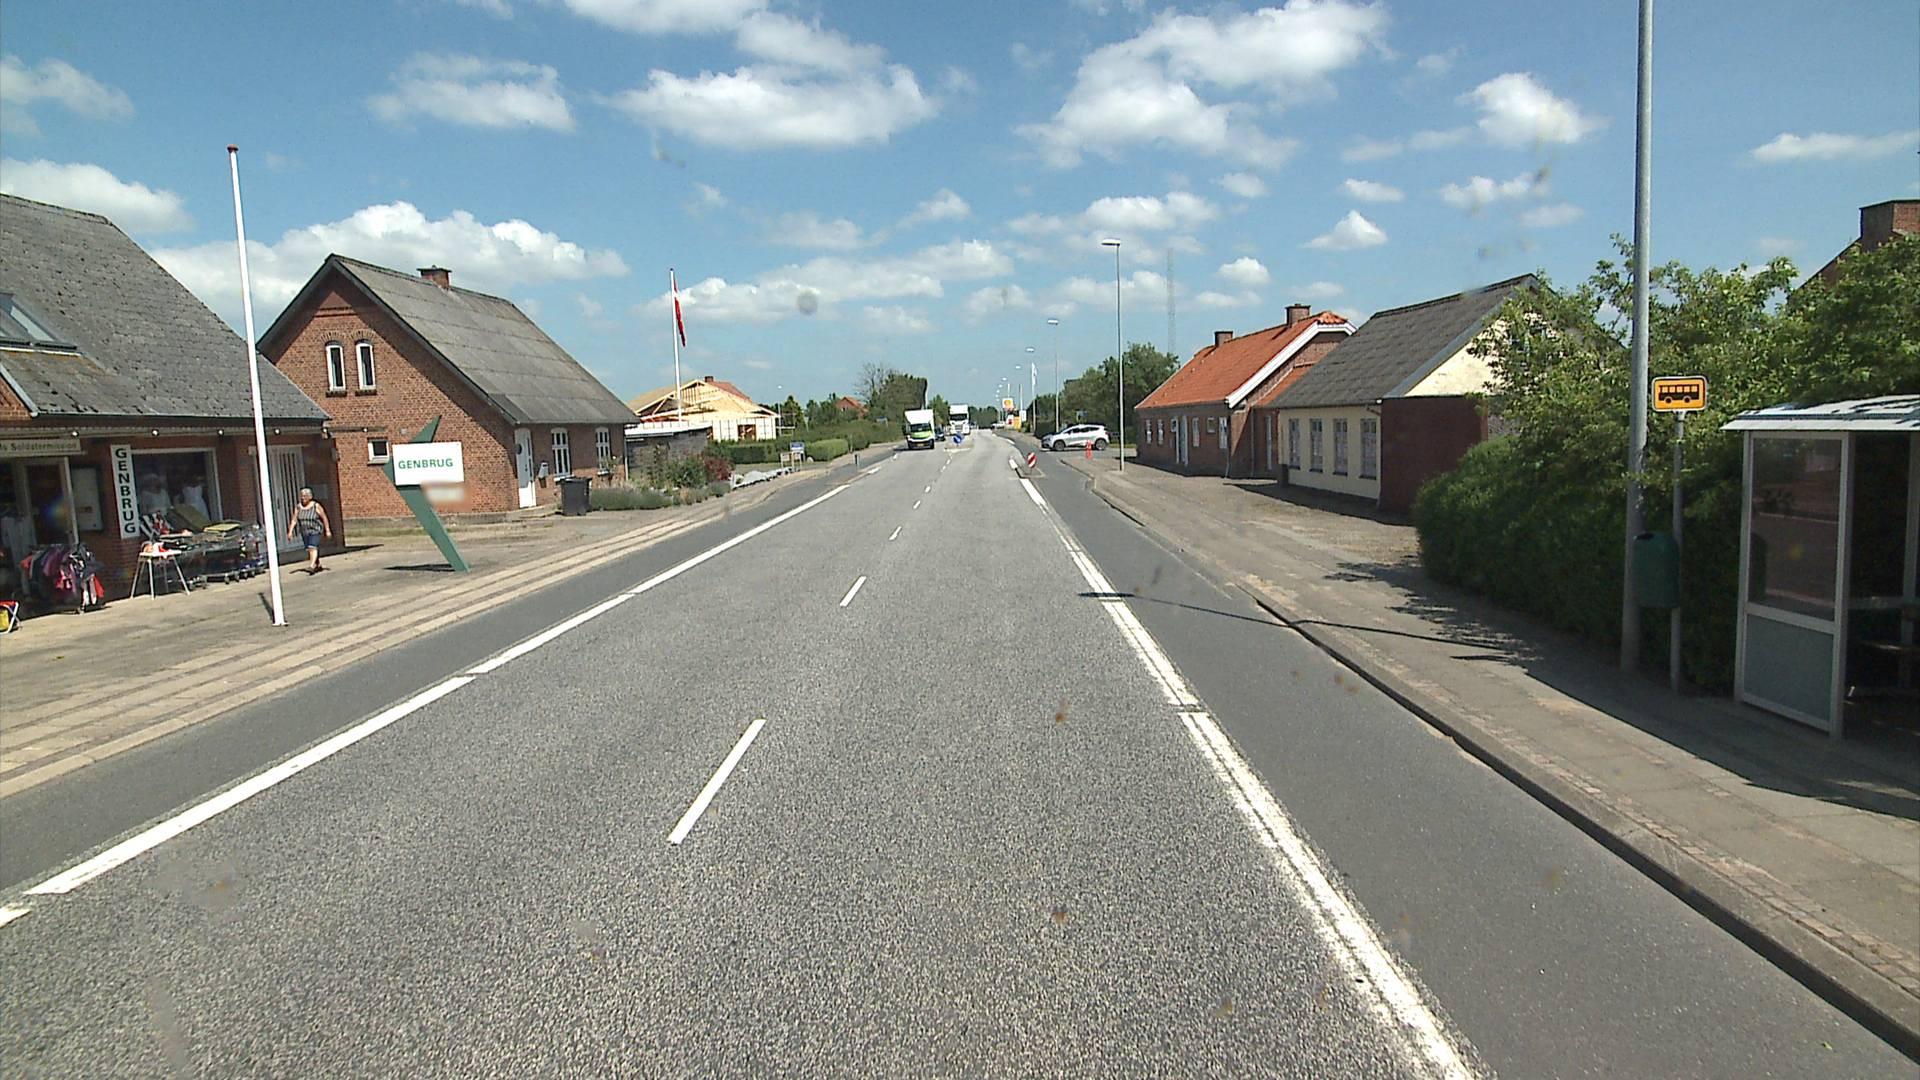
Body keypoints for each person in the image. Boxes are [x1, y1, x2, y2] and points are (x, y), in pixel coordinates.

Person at [286, 488, 332, 573]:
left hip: (315, 530)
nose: (303, 498)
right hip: (305, 531)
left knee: (312, 547)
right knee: (310, 549)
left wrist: (327, 530)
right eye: (302, 496)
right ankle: (317, 564)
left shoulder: (316, 506)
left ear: (309, 497)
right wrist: (290, 531)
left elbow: (324, 518)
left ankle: (311, 566)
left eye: (305, 496)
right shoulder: (298, 507)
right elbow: (294, 519)